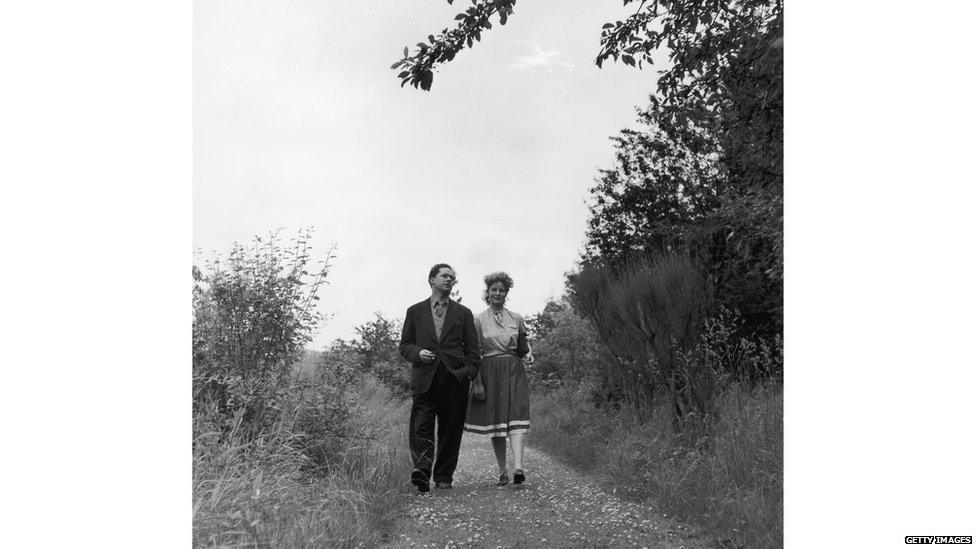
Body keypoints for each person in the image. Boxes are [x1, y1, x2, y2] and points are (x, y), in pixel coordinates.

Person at [399, 263, 481, 492]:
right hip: (424, 379)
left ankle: (444, 475)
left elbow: (473, 351)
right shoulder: (414, 311)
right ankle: (422, 470)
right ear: (432, 280)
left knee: (450, 428)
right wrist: (417, 353)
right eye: (445, 276)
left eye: (453, 277)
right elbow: (405, 345)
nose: (450, 279)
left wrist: (468, 374)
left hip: (455, 380)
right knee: (421, 426)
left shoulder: (463, 313)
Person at [464, 271, 534, 486]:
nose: (497, 293)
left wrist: (528, 353)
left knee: (517, 417)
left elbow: (523, 344)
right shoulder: (478, 319)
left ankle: (518, 468)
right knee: (497, 423)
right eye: (493, 290)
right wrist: (477, 382)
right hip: (490, 370)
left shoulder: (516, 318)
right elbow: (474, 351)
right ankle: (502, 471)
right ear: (487, 293)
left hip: (513, 370)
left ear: (506, 293)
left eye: (501, 290)